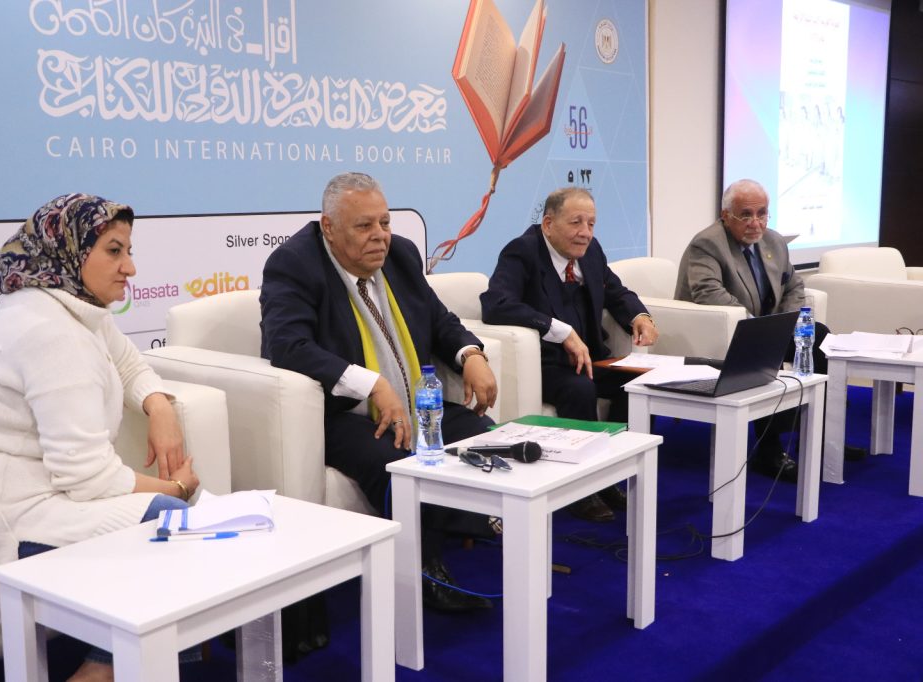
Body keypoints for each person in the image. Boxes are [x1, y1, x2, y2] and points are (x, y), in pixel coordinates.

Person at [0, 193, 200, 682]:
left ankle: (129, 665)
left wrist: (160, 406)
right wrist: (177, 488)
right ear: (71, 249)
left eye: (129, 251)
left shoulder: (68, 304)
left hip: (33, 493)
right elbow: (87, 476)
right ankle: (106, 671)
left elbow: (127, 361)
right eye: (114, 251)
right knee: (171, 520)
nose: (130, 267)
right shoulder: (52, 332)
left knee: (176, 528)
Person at [260, 172, 499, 612]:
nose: (380, 236)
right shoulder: (295, 263)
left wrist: (471, 354)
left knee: (487, 438)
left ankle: (490, 521)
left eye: (384, 223)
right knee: (397, 464)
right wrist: (370, 384)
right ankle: (427, 570)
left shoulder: (401, 255)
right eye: (364, 226)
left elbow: (440, 319)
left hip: (416, 402)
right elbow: (287, 346)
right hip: (342, 413)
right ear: (329, 227)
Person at [480, 187, 658, 522]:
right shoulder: (522, 252)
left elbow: (616, 291)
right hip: (547, 364)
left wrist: (640, 316)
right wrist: (560, 331)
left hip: (593, 357)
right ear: (548, 224)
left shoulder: (591, 251)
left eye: (591, 223)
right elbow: (495, 304)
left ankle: (613, 472)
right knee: (580, 388)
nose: (585, 232)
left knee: (635, 383)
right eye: (576, 222)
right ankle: (582, 488)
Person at [675, 178, 865, 483]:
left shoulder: (773, 241)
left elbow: (794, 284)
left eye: (762, 213)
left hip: (766, 327)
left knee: (819, 336)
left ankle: (822, 435)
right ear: (725, 215)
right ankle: (769, 450)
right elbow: (708, 293)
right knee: (768, 349)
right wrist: (760, 325)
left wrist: (787, 321)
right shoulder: (707, 244)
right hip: (721, 332)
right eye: (745, 215)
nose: (755, 223)